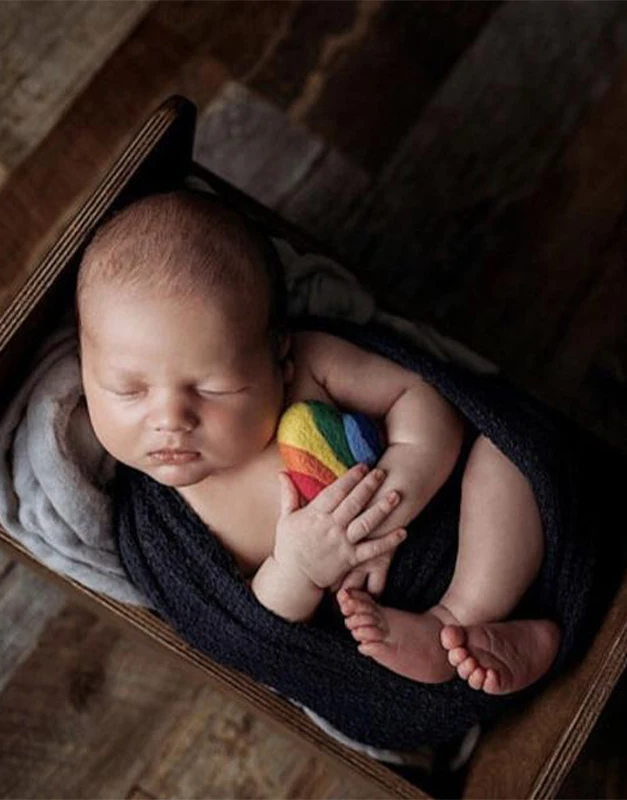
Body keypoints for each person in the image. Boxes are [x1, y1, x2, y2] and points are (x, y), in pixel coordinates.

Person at [76, 190, 559, 694]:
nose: (170, 419)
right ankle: (496, 639)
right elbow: (249, 631)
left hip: (458, 528)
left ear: (276, 357)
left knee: (508, 451)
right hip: (375, 627)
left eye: (212, 388)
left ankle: (465, 617)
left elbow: (421, 396)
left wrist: (393, 493)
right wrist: (298, 568)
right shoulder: (162, 529)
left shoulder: (310, 366)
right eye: (128, 390)